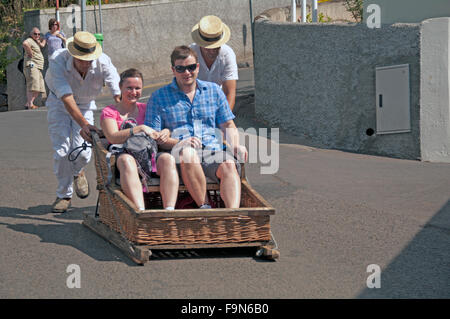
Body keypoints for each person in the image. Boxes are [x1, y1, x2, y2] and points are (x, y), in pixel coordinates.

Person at [145, 46, 248, 209]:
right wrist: (179, 143)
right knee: (188, 153)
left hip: (211, 151)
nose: (187, 72)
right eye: (180, 68)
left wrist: (235, 145)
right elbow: (153, 137)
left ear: (198, 67)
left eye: (191, 67)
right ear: (173, 70)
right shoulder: (159, 97)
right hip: (177, 157)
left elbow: (228, 124)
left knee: (229, 164)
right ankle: (205, 207)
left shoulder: (214, 91)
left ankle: (232, 215)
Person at [45, 31, 121, 213]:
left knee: (84, 152)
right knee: (62, 150)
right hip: (60, 104)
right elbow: (67, 97)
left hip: (86, 104)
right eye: (82, 59)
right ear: (72, 54)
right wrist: (84, 125)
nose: (86, 63)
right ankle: (64, 195)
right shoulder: (57, 60)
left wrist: (121, 115)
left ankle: (78, 171)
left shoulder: (103, 61)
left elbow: (115, 87)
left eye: (89, 59)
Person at [100, 68, 179, 211]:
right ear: (120, 88)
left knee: (167, 159)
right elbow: (112, 137)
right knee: (127, 160)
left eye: (137, 88)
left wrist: (166, 131)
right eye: (129, 88)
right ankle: (140, 212)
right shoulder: (110, 112)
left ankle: (169, 210)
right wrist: (138, 128)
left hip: (150, 153)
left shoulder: (147, 108)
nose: (133, 92)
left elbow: (162, 128)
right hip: (123, 155)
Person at [190, 15, 239, 111]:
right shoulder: (191, 54)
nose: (212, 51)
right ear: (200, 43)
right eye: (208, 48)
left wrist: (226, 120)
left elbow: (230, 92)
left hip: (217, 99)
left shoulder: (228, 54)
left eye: (216, 47)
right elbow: (183, 86)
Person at [22, 27, 46, 109]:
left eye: (38, 34)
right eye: (35, 34)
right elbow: (25, 43)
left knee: (39, 87)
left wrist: (44, 39)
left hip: (38, 67)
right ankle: (30, 104)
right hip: (32, 65)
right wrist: (30, 52)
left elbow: (43, 45)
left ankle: (29, 103)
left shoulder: (35, 42)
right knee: (32, 85)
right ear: (31, 34)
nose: (37, 35)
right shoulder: (29, 40)